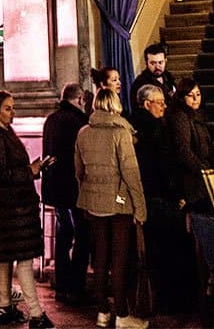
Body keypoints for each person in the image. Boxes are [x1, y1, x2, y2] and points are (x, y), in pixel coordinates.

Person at [0, 89, 54, 328]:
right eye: (8, 108)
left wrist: (35, 168)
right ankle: (36, 313)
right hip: (12, 211)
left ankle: (5, 306)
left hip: (11, 210)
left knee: (6, 259)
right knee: (22, 260)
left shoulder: (2, 134)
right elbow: (1, 174)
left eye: (13, 107)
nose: (13, 112)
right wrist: (29, 171)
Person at [75, 88, 147, 329]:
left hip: (93, 203)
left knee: (100, 258)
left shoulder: (83, 132)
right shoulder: (121, 132)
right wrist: (140, 207)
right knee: (119, 261)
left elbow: (79, 171)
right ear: (115, 104)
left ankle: (102, 311)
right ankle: (122, 315)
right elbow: (131, 173)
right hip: (118, 203)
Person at [128, 84, 183, 314]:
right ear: (147, 103)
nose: (164, 105)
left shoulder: (134, 125)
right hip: (158, 197)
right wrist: (175, 194)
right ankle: (167, 300)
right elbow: (163, 166)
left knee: (154, 250)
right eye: (160, 102)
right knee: (164, 249)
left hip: (145, 195)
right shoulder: (154, 128)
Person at [41, 82, 90, 305]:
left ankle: (61, 283)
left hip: (54, 187)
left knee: (64, 233)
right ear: (80, 99)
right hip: (74, 188)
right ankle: (75, 285)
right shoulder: (78, 122)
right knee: (82, 235)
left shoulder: (51, 119)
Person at [167, 77, 212, 213]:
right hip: (191, 179)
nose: (195, 99)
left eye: (198, 95)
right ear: (182, 97)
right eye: (191, 95)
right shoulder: (181, 117)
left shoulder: (197, 116)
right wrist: (201, 169)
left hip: (199, 175)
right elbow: (183, 149)